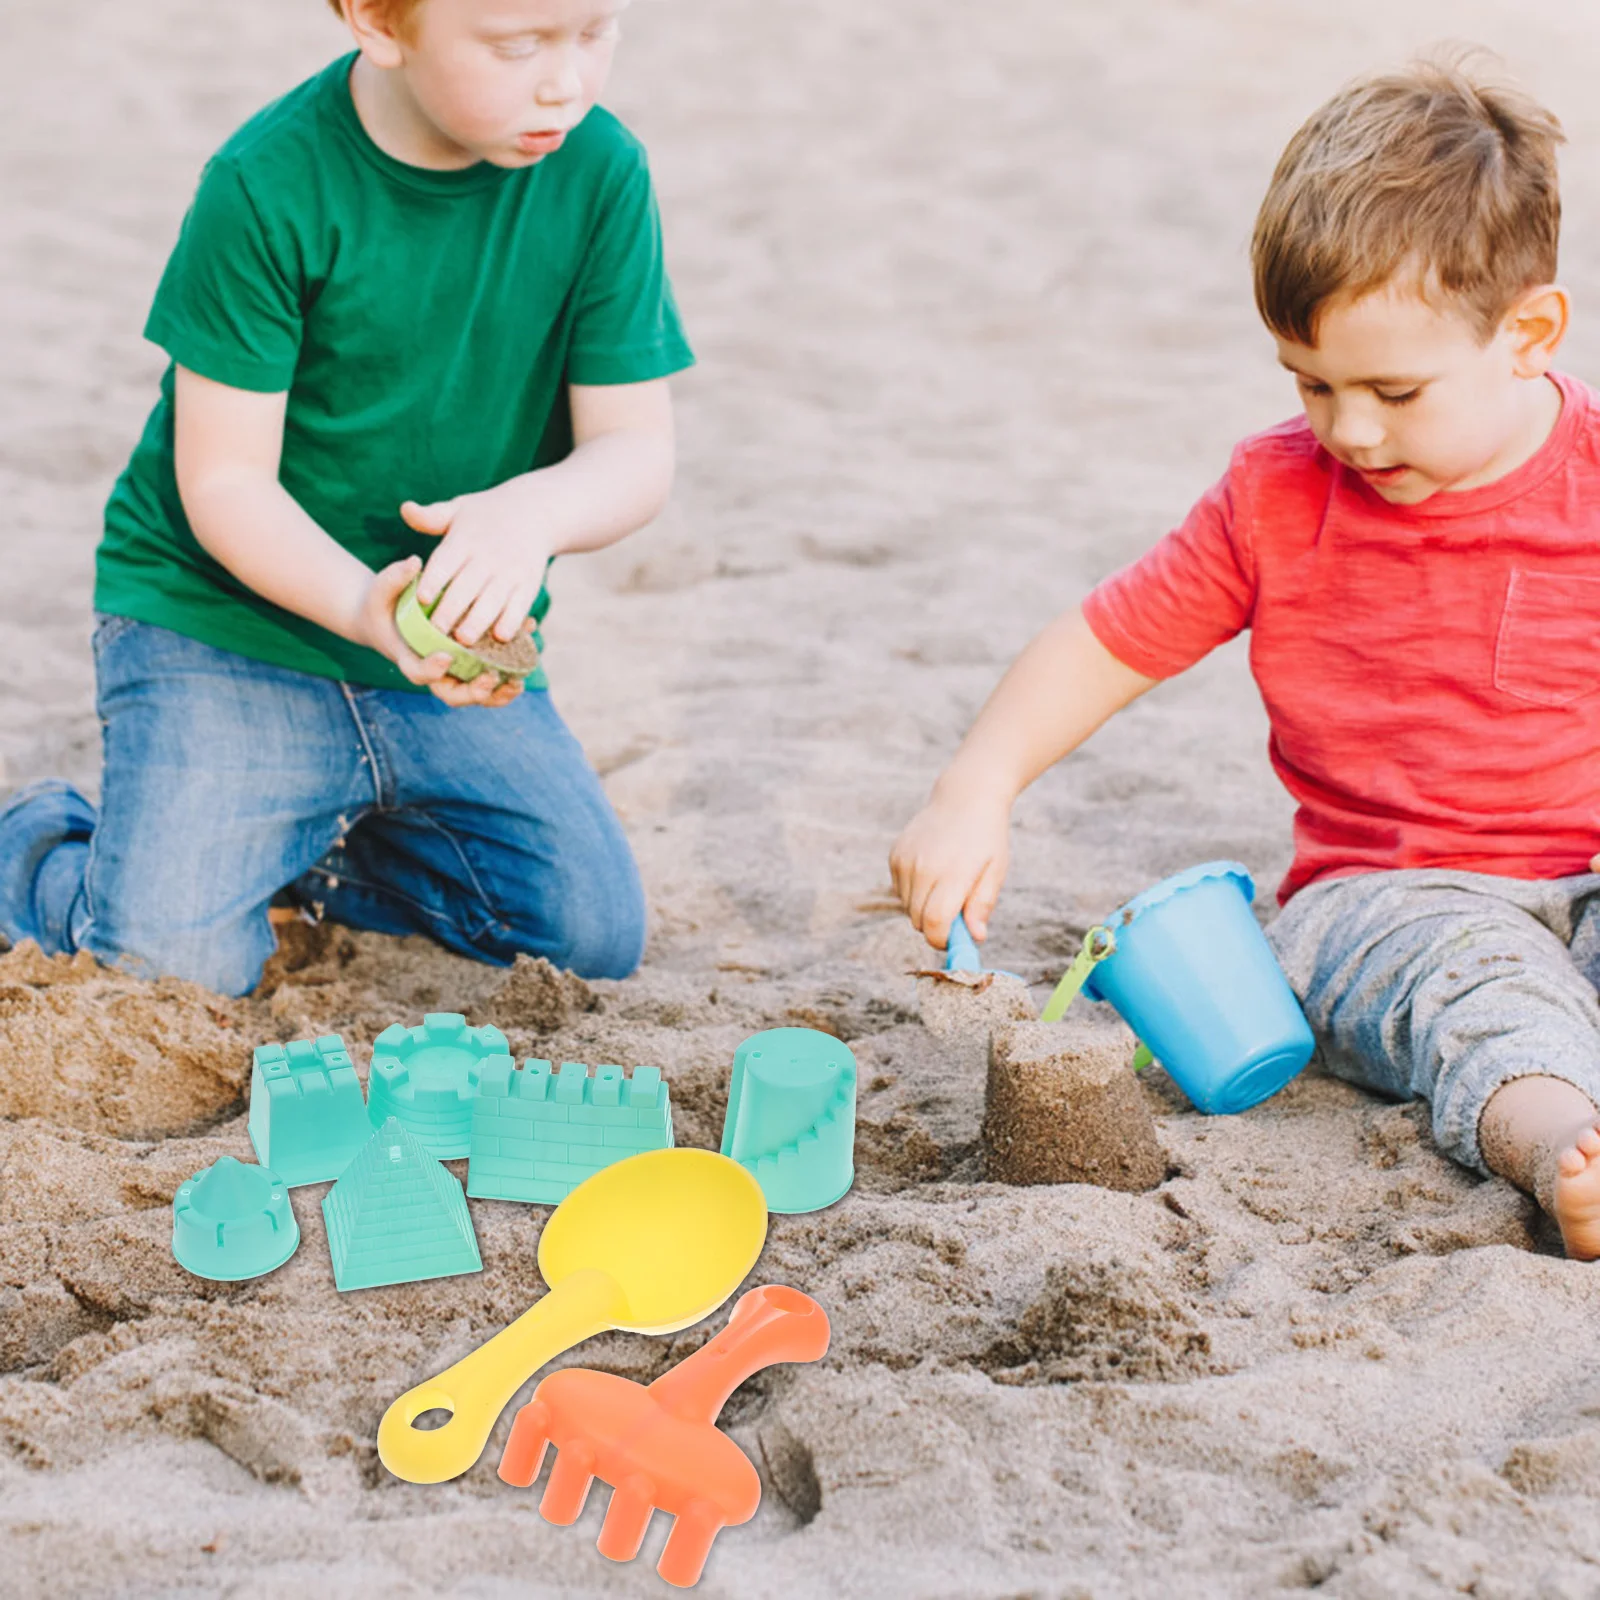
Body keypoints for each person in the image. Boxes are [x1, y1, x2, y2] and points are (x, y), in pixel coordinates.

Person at [890, 57, 1600, 1259]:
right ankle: (1561, 1146)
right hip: (1389, 894)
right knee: (1480, 995)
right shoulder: (1276, 494)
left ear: (1526, 334)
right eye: (1311, 383)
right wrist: (977, 787)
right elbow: (1107, 642)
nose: (1352, 430)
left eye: (1394, 389)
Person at [0, 0, 692, 996]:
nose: (566, 81)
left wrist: (534, 512)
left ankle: (284, 843)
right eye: (517, 45)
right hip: (227, 628)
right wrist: (363, 606)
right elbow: (224, 481)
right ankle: (38, 843)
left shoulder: (601, 172)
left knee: (585, 934)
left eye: (595, 29)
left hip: (439, 658)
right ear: (377, 20)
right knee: (174, 969)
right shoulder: (266, 181)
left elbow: (634, 449)